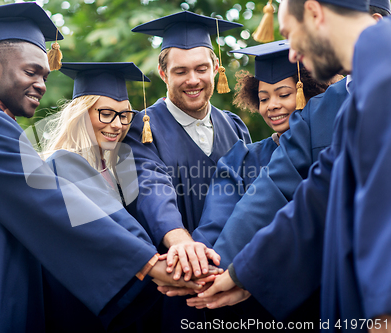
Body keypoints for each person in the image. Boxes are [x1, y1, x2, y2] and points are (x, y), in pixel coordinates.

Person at [0, 4, 205, 332]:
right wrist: (147, 262)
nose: (41, 84)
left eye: (44, 75)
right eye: (31, 72)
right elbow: (51, 200)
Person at [185, 0, 391, 330]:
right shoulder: (357, 94)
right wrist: (240, 273)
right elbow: (316, 195)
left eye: (290, 35)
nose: (292, 55)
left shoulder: (385, 75)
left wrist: (384, 309)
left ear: (313, 12)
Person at [39, 62, 221, 332]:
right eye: (106, 114)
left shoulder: (120, 171)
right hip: (83, 304)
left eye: (125, 116)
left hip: (125, 303)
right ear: (80, 115)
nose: (117, 125)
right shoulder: (61, 165)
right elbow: (106, 230)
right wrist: (166, 268)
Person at [122, 10, 251, 332]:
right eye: (181, 71)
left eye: (201, 69)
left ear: (216, 69)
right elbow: (149, 186)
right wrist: (181, 243)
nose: (193, 80)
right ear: (163, 74)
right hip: (173, 280)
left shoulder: (235, 127)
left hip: (231, 276)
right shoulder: (141, 127)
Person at [194, 40, 327, 252]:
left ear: (307, 92)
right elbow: (215, 225)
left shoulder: (328, 151)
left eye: (284, 95)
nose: (272, 105)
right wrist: (199, 262)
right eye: (264, 99)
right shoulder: (241, 159)